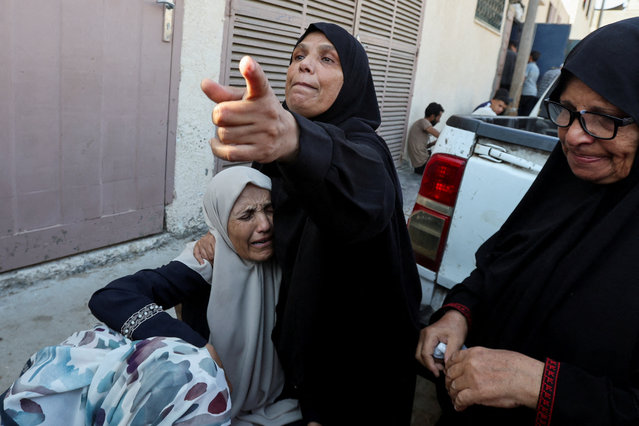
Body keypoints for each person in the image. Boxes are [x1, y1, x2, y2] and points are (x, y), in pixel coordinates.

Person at [415, 17, 639, 425]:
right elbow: (500, 265)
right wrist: (457, 312)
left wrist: (537, 384)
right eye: (566, 111)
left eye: (606, 118)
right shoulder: (561, 188)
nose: (573, 135)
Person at [200, 22, 422, 425]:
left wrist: (298, 140)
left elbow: (367, 195)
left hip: (357, 366)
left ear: (351, 79)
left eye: (326, 59)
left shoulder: (362, 146)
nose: (304, 66)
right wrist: (221, 234)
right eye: (298, 56)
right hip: (298, 353)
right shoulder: (274, 151)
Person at [2, 166, 302, 425]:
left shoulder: (291, 256)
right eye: (246, 215)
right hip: (202, 396)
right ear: (221, 222)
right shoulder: (205, 263)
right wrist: (197, 347)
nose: (264, 225)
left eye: (269, 209)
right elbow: (112, 296)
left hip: (280, 400)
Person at [406, 102, 444, 175]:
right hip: (422, 164)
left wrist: (432, 144)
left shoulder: (420, 123)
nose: (439, 121)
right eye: (438, 117)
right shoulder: (424, 122)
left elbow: (421, 146)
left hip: (419, 164)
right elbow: (439, 135)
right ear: (432, 116)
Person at [518, 50, 541, 116]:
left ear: (530, 57)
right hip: (533, 93)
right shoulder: (537, 68)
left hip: (525, 92)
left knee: (520, 111)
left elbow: (523, 78)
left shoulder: (528, 66)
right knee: (527, 112)